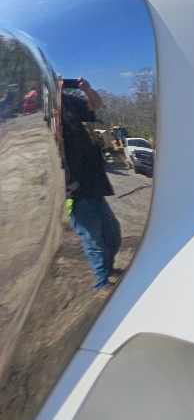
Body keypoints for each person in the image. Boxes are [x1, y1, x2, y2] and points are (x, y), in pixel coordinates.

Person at [58, 81, 121, 289]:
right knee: (93, 239)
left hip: (93, 181)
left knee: (112, 233)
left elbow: (96, 105)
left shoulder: (70, 101)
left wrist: (86, 89)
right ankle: (101, 284)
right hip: (74, 189)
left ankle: (109, 270)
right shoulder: (44, 107)